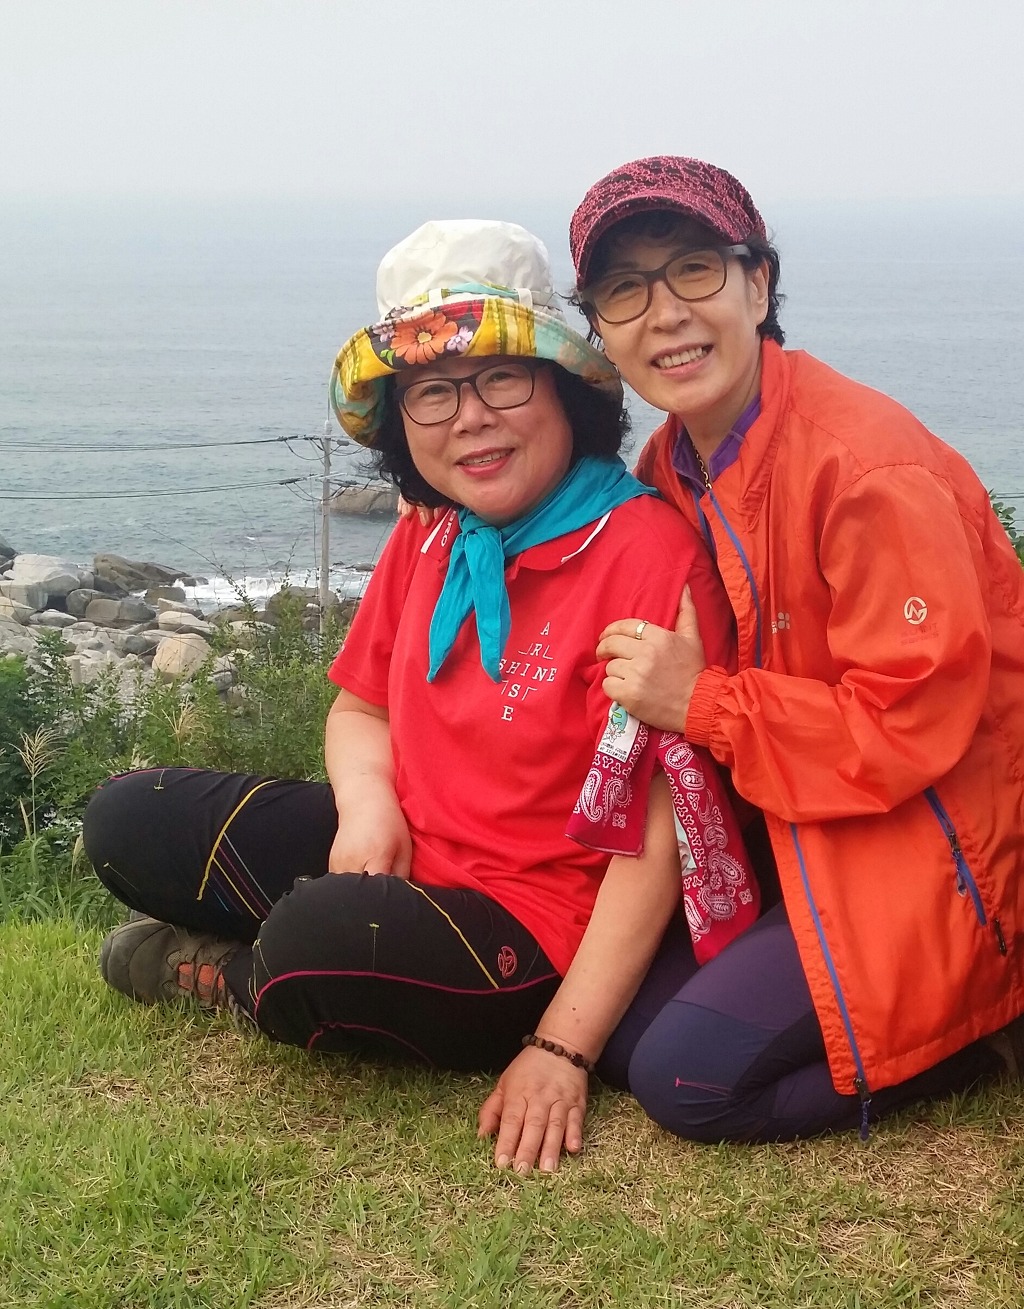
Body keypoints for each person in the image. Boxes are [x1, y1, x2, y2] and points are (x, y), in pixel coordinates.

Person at [84, 218, 756, 1173]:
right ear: (402, 420)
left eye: (502, 378)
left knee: (313, 942)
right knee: (126, 818)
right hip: (404, 852)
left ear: (565, 389)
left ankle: (230, 971)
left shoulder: (648, 559)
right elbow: (361, 709)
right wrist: (370, 809)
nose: (469, 417)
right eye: (433, 391)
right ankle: (292, 940)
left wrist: (563, 1047)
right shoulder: (432, 532)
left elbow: (658, 835)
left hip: (532, 921)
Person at [565, 155, 1024, 1142]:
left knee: (685, 1080)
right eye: (624, 290)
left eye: (694, 269)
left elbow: (907, 724)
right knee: (625, 1032)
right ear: (600, 327)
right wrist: (447, 510)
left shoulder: (864, 470)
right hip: (800, 815)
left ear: (758, 284)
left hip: (933, 836)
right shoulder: (673, 461)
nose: (665, 313)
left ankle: (973, 1033)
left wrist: (702, 703)